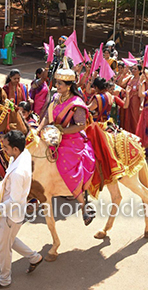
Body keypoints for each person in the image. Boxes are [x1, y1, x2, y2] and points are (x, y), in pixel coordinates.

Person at [35, 58, 96, 225]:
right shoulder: (55, 97)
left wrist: (61, 131)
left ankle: (84, 205)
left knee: (64, 163)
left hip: (70, 138)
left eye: (60, 84)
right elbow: (47, 118)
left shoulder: (77, 104)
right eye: (56, 83)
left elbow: (81, 125)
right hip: (52, 133)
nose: (57, 86)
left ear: (69, 86)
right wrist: (38, 130)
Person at [0, 131, 43, 289]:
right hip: (13, 213)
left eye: (6, 147)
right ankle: (34, 257)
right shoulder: (23, 155)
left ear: (16, 149)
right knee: (10, 239)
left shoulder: (17, 173)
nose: (3, 149)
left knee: (4, 247)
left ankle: (4, 279)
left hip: (10, 214)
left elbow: (14, 200)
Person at [121, 64, 144, 134]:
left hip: (135, 102)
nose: (133, 70)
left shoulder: (141, 80)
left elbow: (142, 94)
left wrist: (141, 104)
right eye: (132, 69)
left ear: (140, 71)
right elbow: (121, 83)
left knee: (135, 119)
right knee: (127, 118)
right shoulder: (130, 78)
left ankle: (136, 135)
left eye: (135, 69)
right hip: (128, 100)